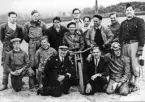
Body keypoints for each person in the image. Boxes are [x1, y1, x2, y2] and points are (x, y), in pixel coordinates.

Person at [119, 3, 145, 92]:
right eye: (127, 10)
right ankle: (130, 81)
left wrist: (140, 48)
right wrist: (120, 45)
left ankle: (136, 83)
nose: (128, 12)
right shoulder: (123, 23)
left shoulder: (139, 20)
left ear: (134, 11)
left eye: (130, 10)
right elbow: (120, 36)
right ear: (125, 12)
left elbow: (142, 35)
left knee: (135, 64)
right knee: (127, 64)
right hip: (124, 46)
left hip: (134, 45)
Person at [0, 11, 24, 91]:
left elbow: (21, 38)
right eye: (12, 17)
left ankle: (18, 81)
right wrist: (7, 46)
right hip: (6, 50)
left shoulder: (19, 27)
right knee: (5, 66)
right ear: (8, 17)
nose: (14, 19)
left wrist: (16, 46)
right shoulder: (3, 26)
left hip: (15, 50)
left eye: (15, 17)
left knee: (17, 64)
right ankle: (4, 84)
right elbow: (2, 38)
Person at [23, 10, 47, 83]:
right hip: (32, 43)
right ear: (31, 16)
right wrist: (31, 42)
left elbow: (45, 34)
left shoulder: (43, 24)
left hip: (40, 43)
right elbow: (25, 35)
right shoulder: (27, 25)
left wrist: (41, 42)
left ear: (39, 16)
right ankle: (33, 81)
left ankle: (41, 80)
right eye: (34, 16)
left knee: (41, 59)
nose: (36, 17)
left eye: (37, 16)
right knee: (32, 61)